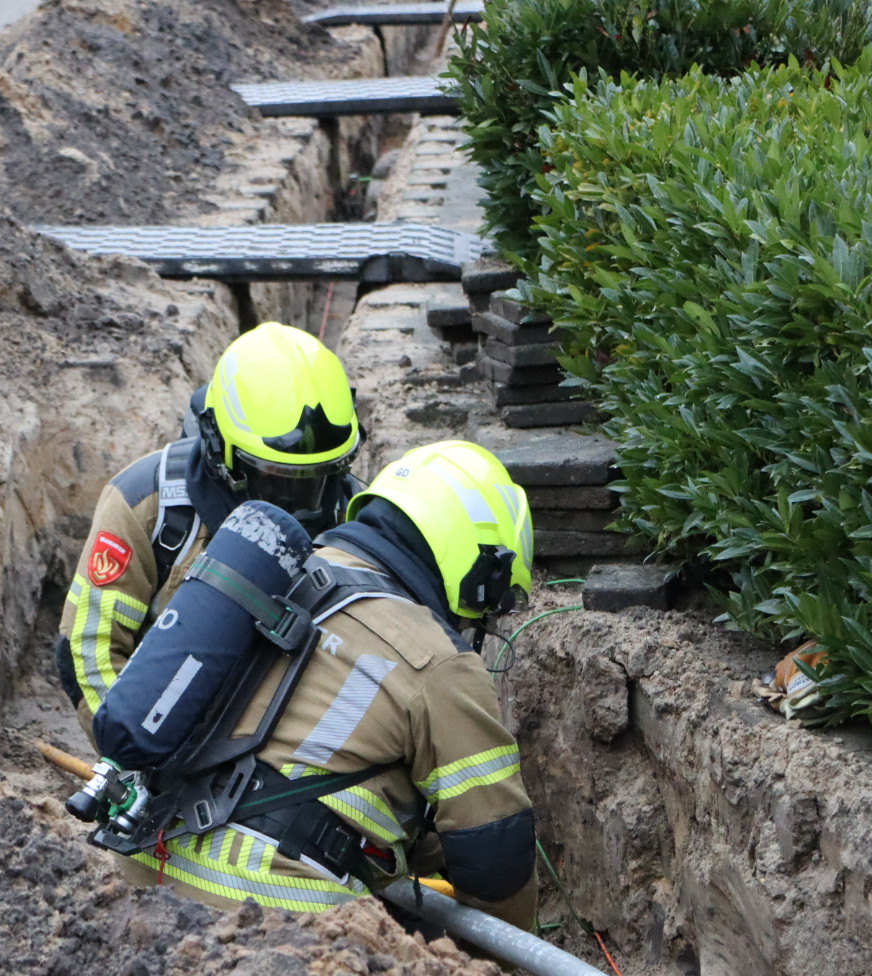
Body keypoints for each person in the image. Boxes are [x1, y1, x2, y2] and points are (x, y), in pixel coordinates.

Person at [98, 440, 539, 929]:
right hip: (277, 924)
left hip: (136, 877)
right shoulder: (437, 661)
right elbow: (497, 859)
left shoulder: (274, 578)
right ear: (481, 570)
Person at [57, 322, 362, 741]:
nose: (304, 502)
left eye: (321, 477)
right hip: (170, 732)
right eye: (277, 477)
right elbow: (87, 652)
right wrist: (134, 758)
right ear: (221, 450)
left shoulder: (354, 514)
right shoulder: (150, 506)